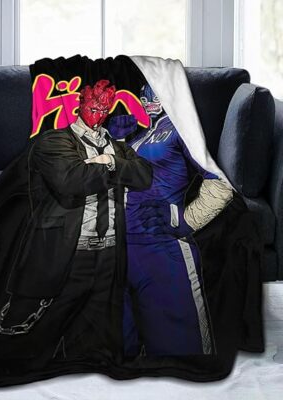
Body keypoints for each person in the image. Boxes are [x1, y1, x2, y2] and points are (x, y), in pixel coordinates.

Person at [0, 79, 153, 369]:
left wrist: (109, 161)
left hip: (109, 257)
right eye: (93, 107)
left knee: (92, 350)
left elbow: (144, 175)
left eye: (104, 109)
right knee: (21, 349)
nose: (98, 115)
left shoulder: (117, 147)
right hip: (63, 256)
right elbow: (72, 181)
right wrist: (114, 166)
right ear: (79, 104)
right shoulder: (53, 142)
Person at [107, 83, 234, 357]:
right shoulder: (140, 136)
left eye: (153, 90)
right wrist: (117, 142)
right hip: (119, 250)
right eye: (144, 93)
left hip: (160, 250)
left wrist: (181, 219)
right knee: (121, 356)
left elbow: (221, 186)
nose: (147, 98)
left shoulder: (179, 128)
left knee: (182, 356)